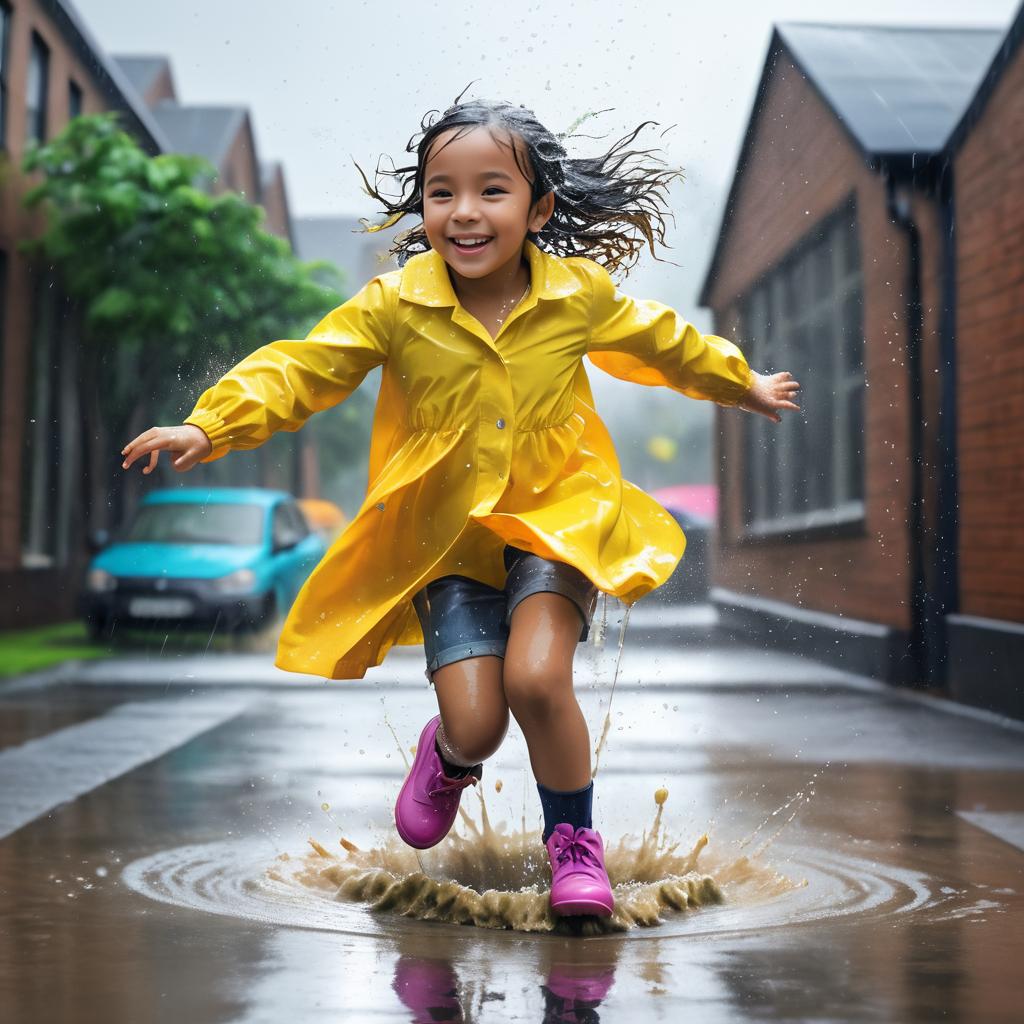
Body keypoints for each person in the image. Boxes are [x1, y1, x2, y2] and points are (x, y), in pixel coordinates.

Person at [120, 94, 800, 919]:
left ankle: (575, 849)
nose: (465, 212)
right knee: (478, 723)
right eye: (441, 192)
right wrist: (209, 423)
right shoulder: (394, 306)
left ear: (539, 208)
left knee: (539, 678)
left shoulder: (575, 296)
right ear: (424, 207)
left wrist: (744, 381)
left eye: (492, 190)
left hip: (559, 515)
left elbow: (663, 340)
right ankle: (447, 755)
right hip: (448, 541)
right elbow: (303, 368)